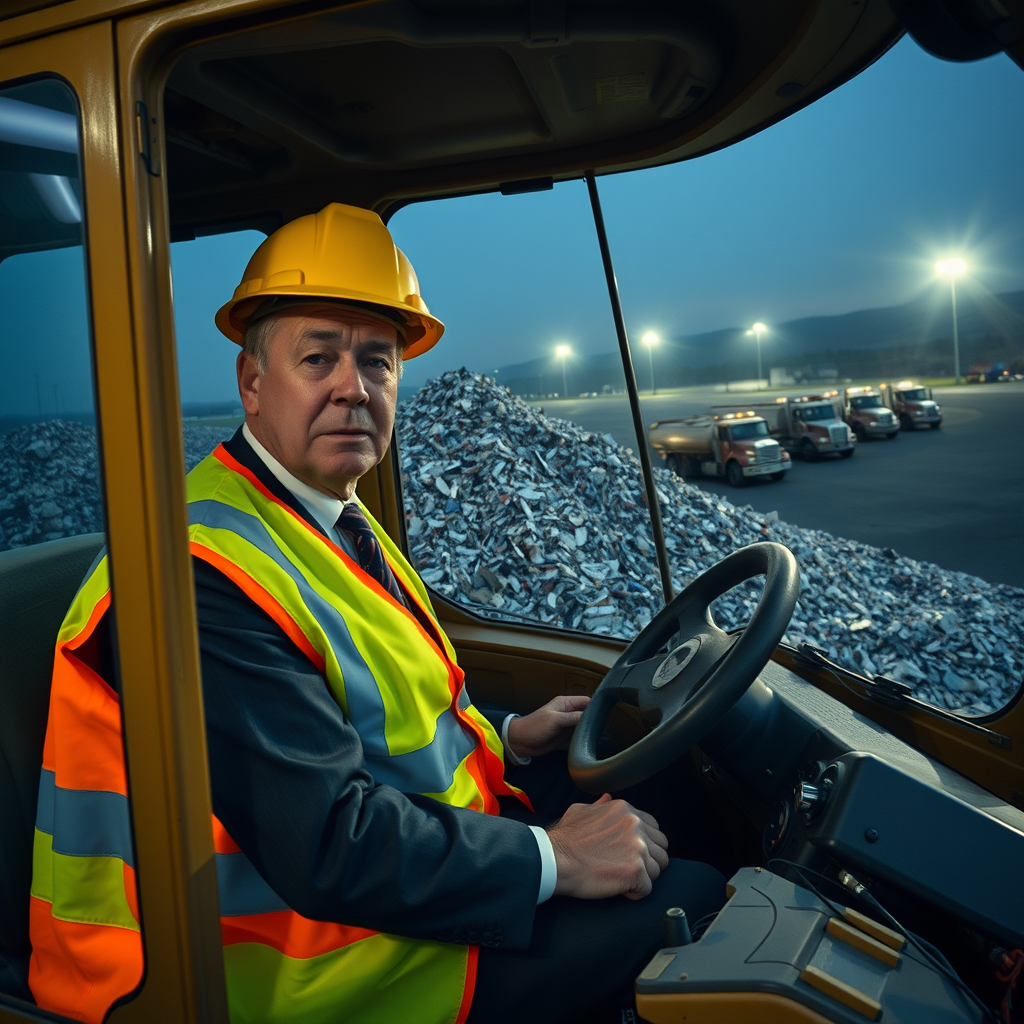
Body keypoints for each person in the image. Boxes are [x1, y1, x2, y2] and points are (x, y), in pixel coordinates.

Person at [29, 203, 724, 1024]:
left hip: (381, 882)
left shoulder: (328, 516)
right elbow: (328, 842)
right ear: (252, 384)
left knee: (660, 782)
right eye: (318, 358)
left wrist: (506, 736)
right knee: (692, 895)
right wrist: (557, 857)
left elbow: (370, 710)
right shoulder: (200, 573)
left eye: (376, 363)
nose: (353, 388)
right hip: (278, 969)